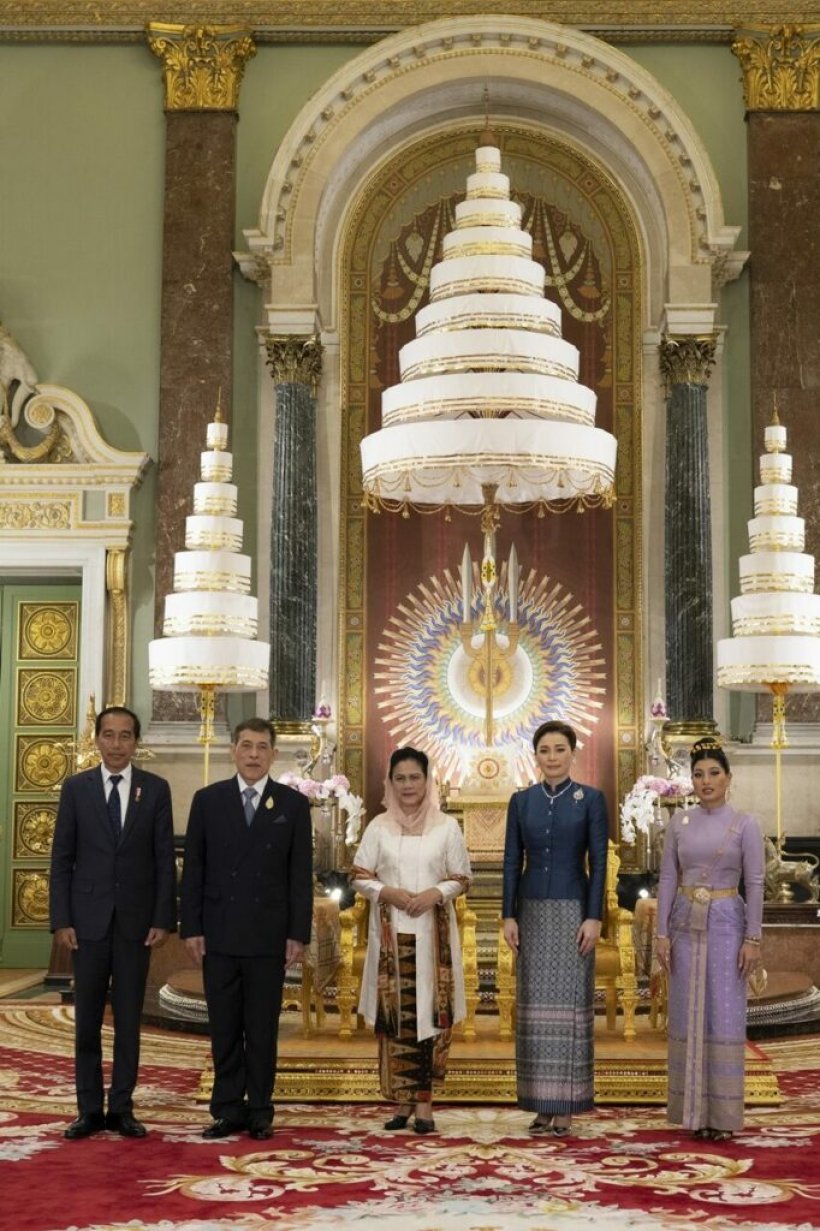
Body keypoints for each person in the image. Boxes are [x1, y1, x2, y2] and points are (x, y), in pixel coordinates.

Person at [180, 717, 313, 1140]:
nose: (254, 755)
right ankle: (226, 1109)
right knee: (224, 1026)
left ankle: (260, 1109)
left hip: (268, 936)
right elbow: (194, 869)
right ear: (233, 750)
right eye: (246, 746)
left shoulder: (292, 805)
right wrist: (191, 927)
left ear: (274, 754)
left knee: (260, 1028)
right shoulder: (208, 800)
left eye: (262, 747)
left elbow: (299, 875)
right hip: (218, 933)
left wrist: (298, 933)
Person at [49, 705, 177, 1140]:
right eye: (109, 735)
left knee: (127, 1020)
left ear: (136, 742)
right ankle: (88, 1109)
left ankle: (122, 1107)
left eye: (125, 736)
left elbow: (164, 861)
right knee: (86, 1021)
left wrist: (163, 917)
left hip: (135, 927)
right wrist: (62, 920)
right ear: (97, 739)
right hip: (86, 925)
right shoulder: (76, 789)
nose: (117, 744)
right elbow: (62, 860)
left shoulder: (155, 790)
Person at [351, 747, 471, 1134]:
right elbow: (359, 875)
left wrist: (436, 893)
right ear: (390, 782)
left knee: (430, 1018)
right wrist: (387, 892)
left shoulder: (446, 827)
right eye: (399, 778)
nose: (407, 785)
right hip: (391, 937)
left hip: (432, 938)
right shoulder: (378, 826)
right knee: (397, 1019)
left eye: (414, 777)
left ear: (426, 780)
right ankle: (400, 1101)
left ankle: (424, 1106)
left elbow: (462, 877)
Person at [655, 738, 765, 1142]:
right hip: (684, 925)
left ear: (728, 778)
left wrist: (752, 938)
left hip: (726, 925)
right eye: (698, 774)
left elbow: (754, 882)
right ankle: (692, 1113)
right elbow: (667, 878)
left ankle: (721, 1114)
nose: (705, 781)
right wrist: (661, 933)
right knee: (687, 1013)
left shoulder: (745, 824)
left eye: (713, 773)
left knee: (722, 1013)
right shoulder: (679, 823)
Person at [502, 720, 608, 1137]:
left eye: (559, 749)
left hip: (573, 914)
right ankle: (541, 1106)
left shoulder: (590, 800)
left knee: (568, 1012)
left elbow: (598, 863)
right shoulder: (521, 801)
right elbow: (512, 861)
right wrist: (509, 915)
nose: (552, 757)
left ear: (573, 752)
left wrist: (594, 916)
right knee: (533, 1013)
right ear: (535, 755)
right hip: (531, 913)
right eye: (544, 750)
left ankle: (565, 1106)